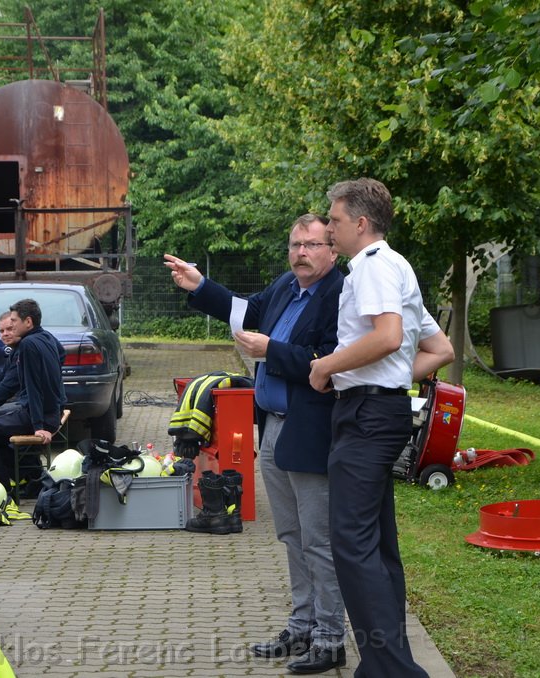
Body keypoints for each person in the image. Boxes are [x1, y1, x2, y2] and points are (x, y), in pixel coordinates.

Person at [164, 213, 348, 674]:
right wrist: (200, 285)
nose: (300, 253)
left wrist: (273, 352)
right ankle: (302, 625)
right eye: (294, 244)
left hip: (311, 428)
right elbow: (248, 312)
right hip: (274, 427)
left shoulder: (341, 295)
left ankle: (331, 638)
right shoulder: (287, 286)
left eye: (310, 244)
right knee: (290, 534)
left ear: (333, 249)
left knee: (318, 538)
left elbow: (333, 360)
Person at [307, 178, 455, 678]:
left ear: (361, 224)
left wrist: (329, 366)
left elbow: (389, 337)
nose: (329, 228)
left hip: (366, 418)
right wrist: (377, 378)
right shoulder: (397, 268)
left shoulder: (371, 267)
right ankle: (386, 664)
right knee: (375, 544)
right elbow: (440, 350)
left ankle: (392, 670)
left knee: (350, 543)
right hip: (380, 409)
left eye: (335, 219)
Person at [0, 298, 66, 490]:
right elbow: (61, 354)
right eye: (3, 328)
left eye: (13, 322)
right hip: (49, 411)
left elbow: (34, 388)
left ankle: (2, 489)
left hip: (40, 415)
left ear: (28, 322)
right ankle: (31, 475)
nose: (10, 326)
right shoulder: (47, 337)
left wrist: (38, 426)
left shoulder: (28, 345)